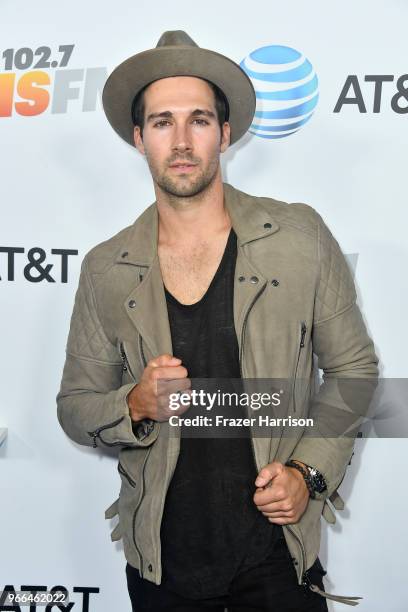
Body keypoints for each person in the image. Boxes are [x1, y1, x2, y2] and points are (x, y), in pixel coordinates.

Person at [56, 30, 378, 611]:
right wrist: (134, 404)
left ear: (225, 134)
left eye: (199, 120)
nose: (181, 141)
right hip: (161, 566)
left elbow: (354, 369)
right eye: (161, 122)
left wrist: (308, 473)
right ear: (138, 138)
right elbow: (75, 406)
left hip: (279, 558)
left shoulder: (298, 237)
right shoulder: (107, 267)